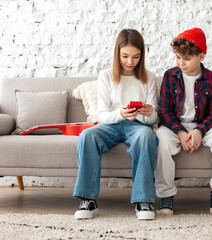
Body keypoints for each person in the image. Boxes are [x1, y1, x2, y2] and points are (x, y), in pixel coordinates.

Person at [73, 29, 158, 220]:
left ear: (142, 55)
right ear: (117, 53)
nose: (130, 62)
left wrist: (149, 112)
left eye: (136, 57)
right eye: (125, 56)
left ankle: (143, 200)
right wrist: (120, 113)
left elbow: (153, 120)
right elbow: (102, 115)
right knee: (87, 136)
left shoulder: (149, 77)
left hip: (138, 126)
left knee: (147, 136)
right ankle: (88, 199)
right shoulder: (106, 76)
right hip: (111, 124)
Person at [155, 28, 212, 216]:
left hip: (203, 127)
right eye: (177, 57)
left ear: (201, 56)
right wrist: (181, 133)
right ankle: (166, 196)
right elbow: (164, 112)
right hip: (174, 127)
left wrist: (199, 131)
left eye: (186, 58)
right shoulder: (170, 76)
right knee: (160, 140)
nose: (181, 63)